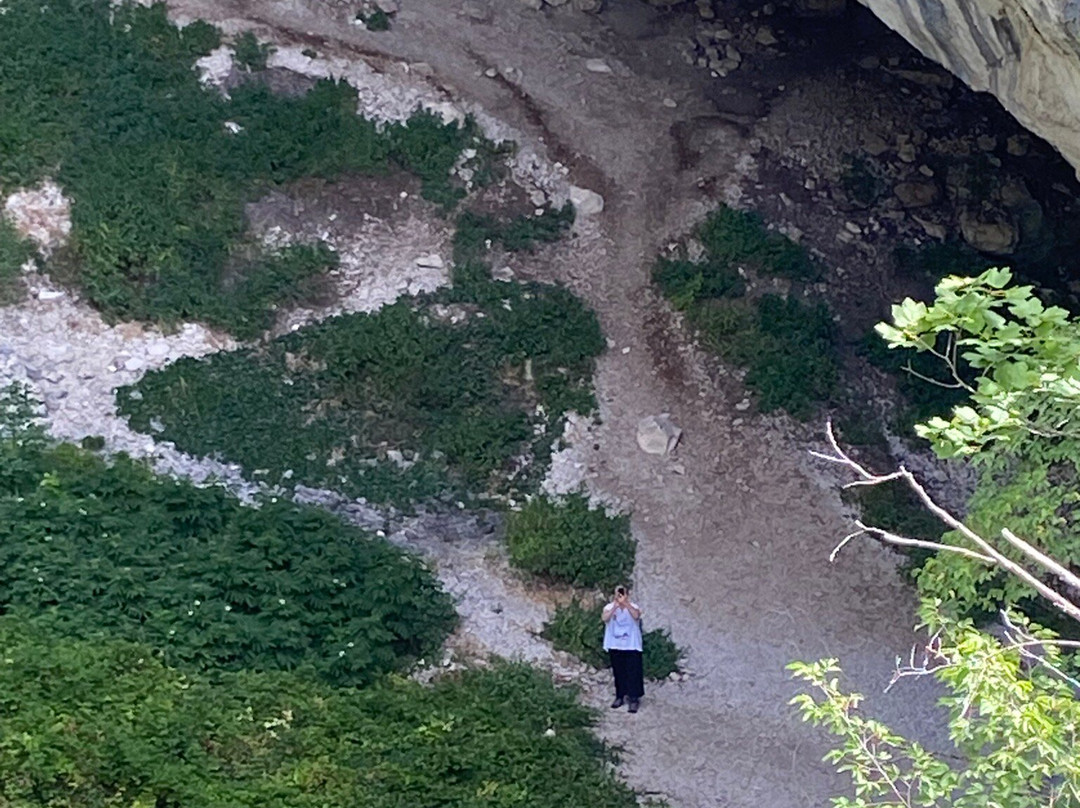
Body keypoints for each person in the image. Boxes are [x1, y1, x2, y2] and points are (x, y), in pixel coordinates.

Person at [602, 585, 644, 713]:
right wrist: (615, 606)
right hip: (616, 645)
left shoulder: (634, 607)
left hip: (631, 645)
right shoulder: (609, 607)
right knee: (619, 672)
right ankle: (620, 696)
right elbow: (605, 618)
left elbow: (636, 616)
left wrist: (626, 604)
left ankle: (634, 698)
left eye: (622, 593)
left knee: (634, 672)